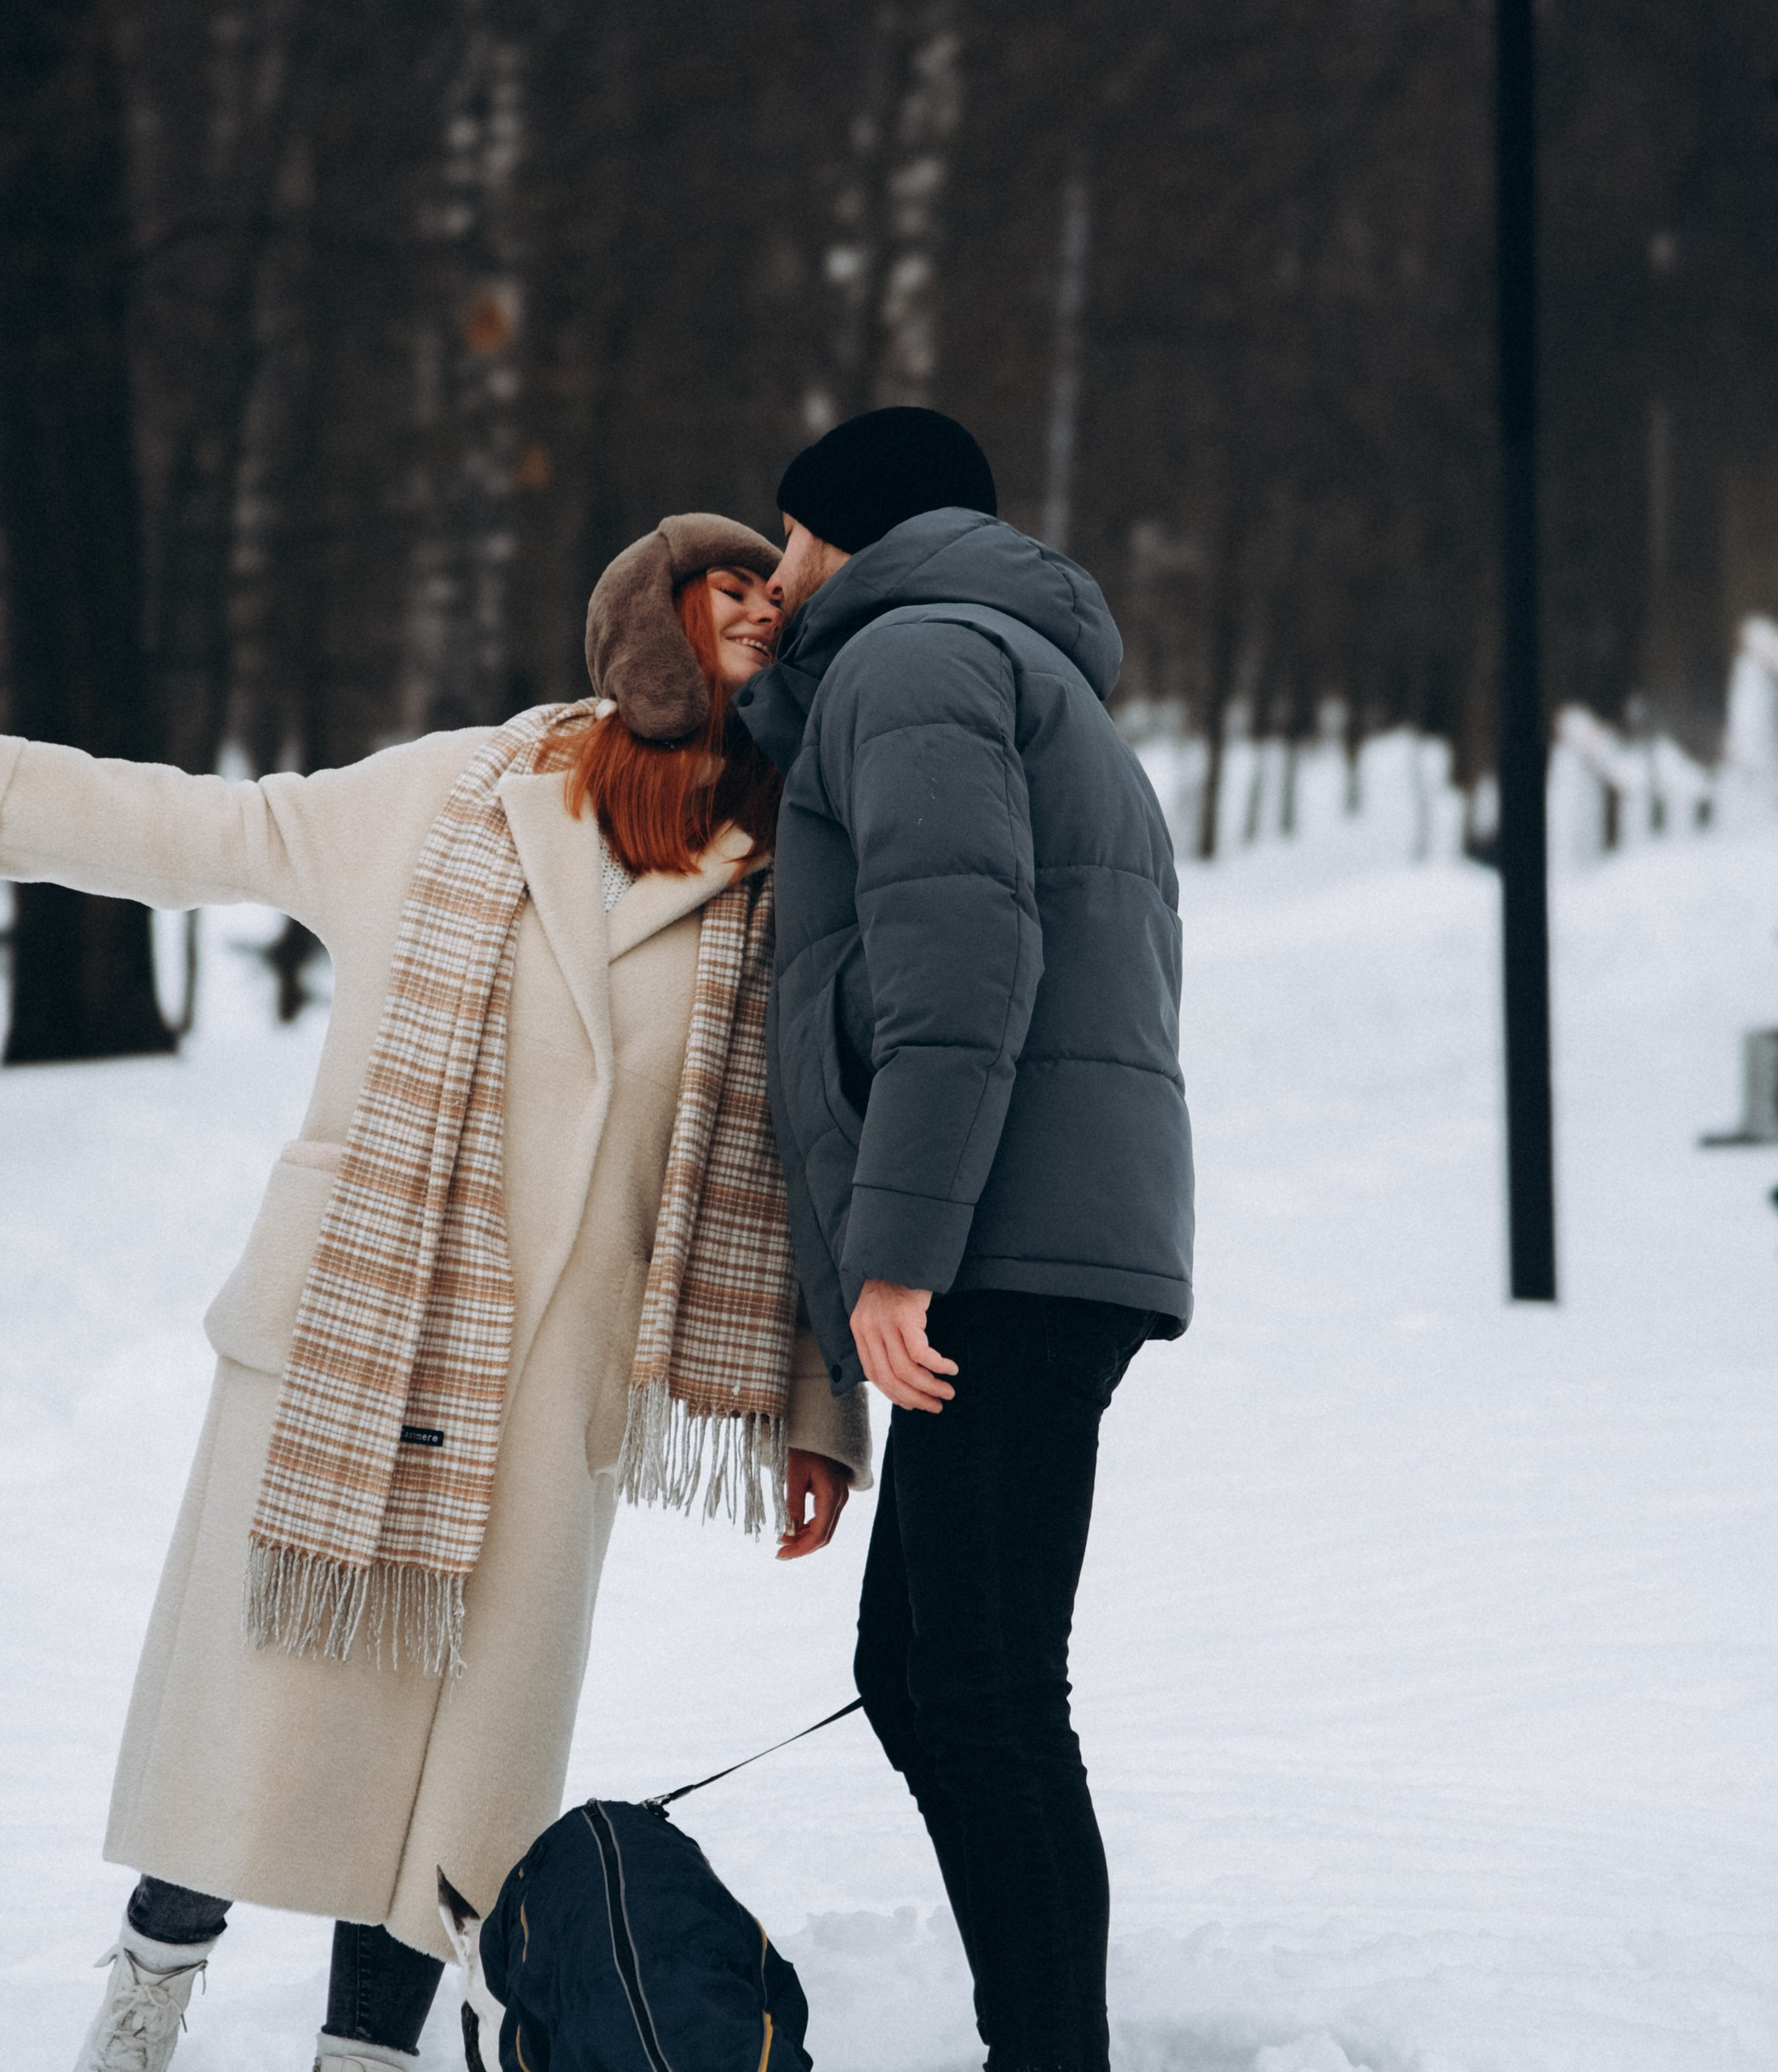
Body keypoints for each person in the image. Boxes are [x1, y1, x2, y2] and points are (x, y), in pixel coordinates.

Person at [0, 513, 868, 2072]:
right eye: (731, 590)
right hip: (356, 1343)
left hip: (564, 1382)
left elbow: (806, 1160)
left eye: (777, 594)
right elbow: (213, 833)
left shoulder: (783, 872)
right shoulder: (459, 793)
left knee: (461, 1775)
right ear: (650, 624)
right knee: (264, 1716)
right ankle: (152, 1984)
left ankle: (367, 2053)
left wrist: (818, 1412)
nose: (766, 611)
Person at [732, 407, 1195, 2072]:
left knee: (985, 1688)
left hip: (993, 1247)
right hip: (1033, 1233)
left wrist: (898, 1251)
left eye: (784, 543)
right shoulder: (999, 664)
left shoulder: (913, 660)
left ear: (846, 529)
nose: (771, 582)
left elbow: (960, 966)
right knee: (920, 1675)